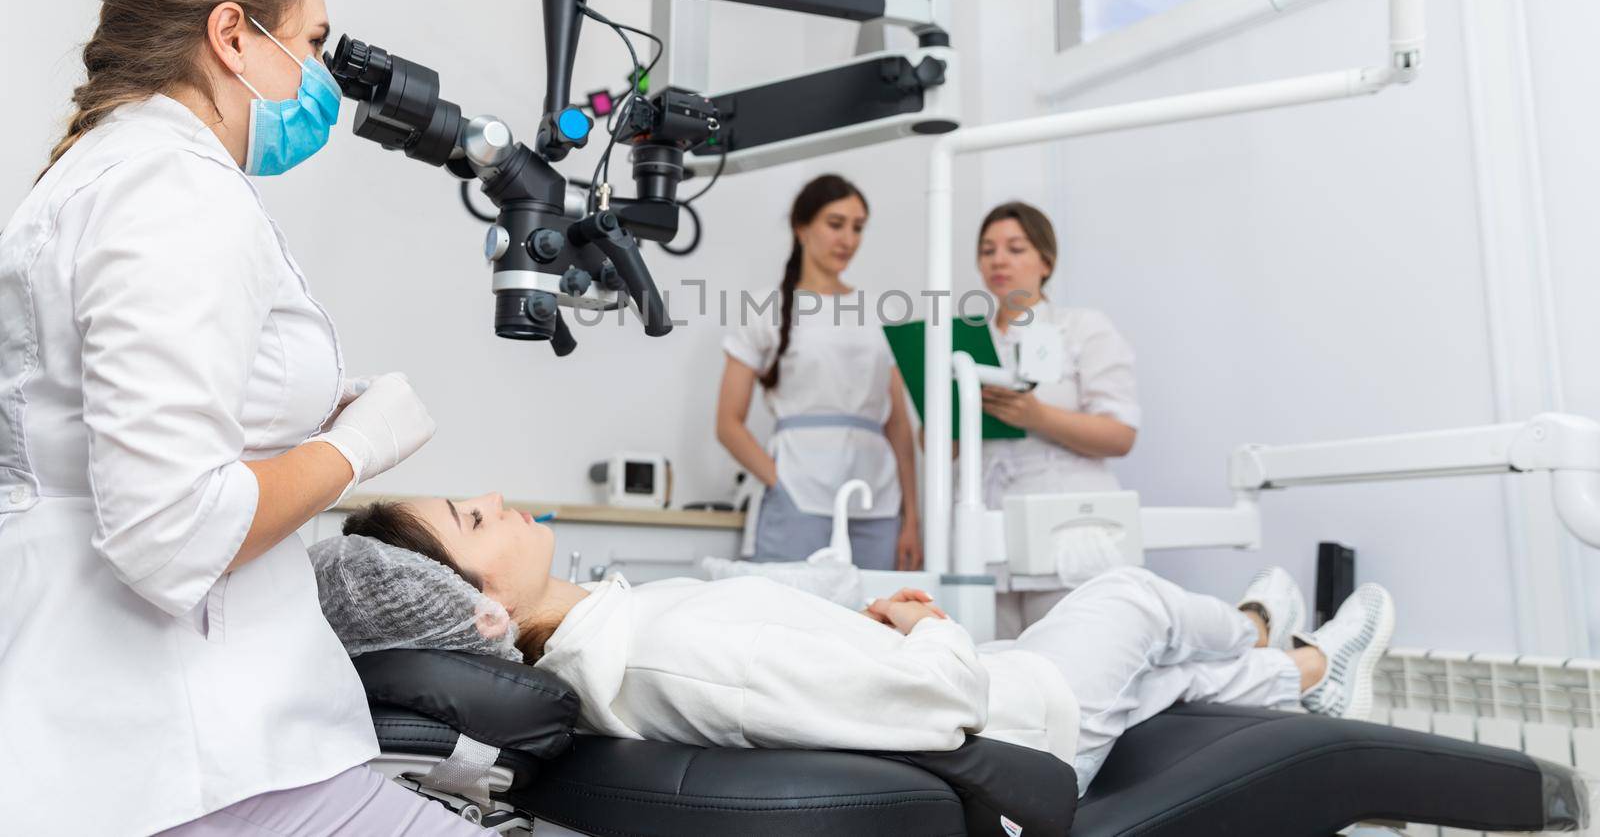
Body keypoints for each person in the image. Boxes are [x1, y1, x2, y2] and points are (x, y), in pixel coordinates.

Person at [0, 0, 475, 835]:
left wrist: (307, 414)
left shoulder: (109, 174)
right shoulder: (172, 191)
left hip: (145, 737)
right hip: (193, 752)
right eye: (310, 41)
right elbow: (171, 529)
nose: (319, 77)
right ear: (231, 32)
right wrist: (356, 446)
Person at [314, 493, 1396, 798]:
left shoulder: (621, 645)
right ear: (483, 614)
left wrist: (878, 632)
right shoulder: (678, 649)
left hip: (999, 695)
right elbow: (936, 705)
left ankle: (1278, 660)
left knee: (1171, 676)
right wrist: (923, 628)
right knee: (1132, 597)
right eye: (469, 519)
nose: (496, 500)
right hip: (1030, 724)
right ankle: (1292, 654)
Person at [716, 174, 921, 570]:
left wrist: (912, 516)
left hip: (875, 500)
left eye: (857, 227)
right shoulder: (764, 308)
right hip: (798, 495)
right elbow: (727, 423)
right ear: (802, 226)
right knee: (791, 620)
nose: (847, 239)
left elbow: (898, 425)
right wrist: (779, 483)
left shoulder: (881, 313)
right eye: (835, 223)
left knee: (874, 622)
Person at [973, 201, 1142, 636]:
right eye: (988, 250)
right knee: (994, 666)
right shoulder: (968, 341)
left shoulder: (1082, 328)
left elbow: (1120, 435)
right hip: (987, 533)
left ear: (1045, 261)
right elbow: (936, 445)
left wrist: (1037, 416)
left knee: (1069, 661)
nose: (999, 260)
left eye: (1015, 248)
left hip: (1067, 528)